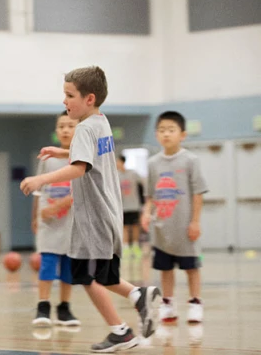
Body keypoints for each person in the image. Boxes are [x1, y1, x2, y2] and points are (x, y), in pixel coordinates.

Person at [20, 66, 160, 353]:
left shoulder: (83, 127)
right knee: (96, 275)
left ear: (89, 98)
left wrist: (41, 178)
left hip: (94, 217)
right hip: (105, 213)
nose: (64, 101)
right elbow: (89, 155)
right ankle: (133, 307)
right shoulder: (100, 122)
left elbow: (80, 167)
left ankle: (126, 320)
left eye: (69, 95)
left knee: (88, 275)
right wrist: (61, 152)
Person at [141, 111, 207, 324]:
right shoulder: (152, 163)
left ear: (183, 134)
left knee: (191, 268)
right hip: (161, 226)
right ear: (156, 134)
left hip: (185, 227)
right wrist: (146, 212)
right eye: (161, 130)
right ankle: (168, 304)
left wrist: (195, 221)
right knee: (165, 269)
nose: (166, 134)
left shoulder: (190, 160)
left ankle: (195, 303)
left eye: (171, 130)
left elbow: (198, 193)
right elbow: (150, 195)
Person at [30, 111, 80, 327]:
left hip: (72, 223)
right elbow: (38, 191)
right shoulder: (47, 159)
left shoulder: (81, 158)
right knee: (47, 264)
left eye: (70, 126)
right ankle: (43, 306)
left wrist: (59, 205)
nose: (65, 130)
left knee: (69, 267)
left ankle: (64, 308)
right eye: (61, 126)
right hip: (48, 222)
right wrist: (35, 216)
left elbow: (81, 193)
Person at [117, 155, 144, 260]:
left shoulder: (133, 173)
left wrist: (142, 202)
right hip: (122, 207)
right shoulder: (116, 175)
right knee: (124, 227)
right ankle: (126, 247)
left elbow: (142, 186)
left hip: (134, 205)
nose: (116, 164)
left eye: (118, 162)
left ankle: (136, 246)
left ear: (122, 162)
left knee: (135, 226)